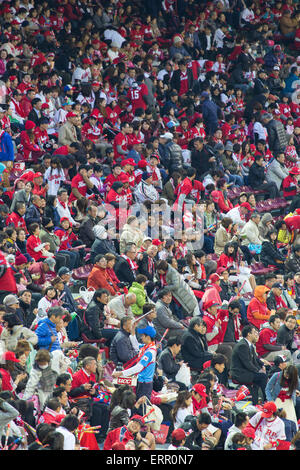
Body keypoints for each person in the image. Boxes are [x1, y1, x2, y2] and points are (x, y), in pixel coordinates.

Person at [112, 325, 157, 400]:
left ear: (148, 337)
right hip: (141, 381)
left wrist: (122, 373)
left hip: (145, 384)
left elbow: (139, 368)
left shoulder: (149, 352)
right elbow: (135, 345)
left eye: (143, 335)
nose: (141, 337)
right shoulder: (146, 347)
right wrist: (133, 331)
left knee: (142, 406)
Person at [230, 325, 269, 405]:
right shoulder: (242, 346)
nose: (257, 334)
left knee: (267, 369)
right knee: (262, 377)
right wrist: (259, 371)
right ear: (249, 334)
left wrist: (262, 365)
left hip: (246, 371)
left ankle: (257, 400)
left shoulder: (249, 345)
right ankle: (267, 399)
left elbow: (255, 359)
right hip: (240, 373)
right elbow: (247, 363)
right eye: (255, 333)